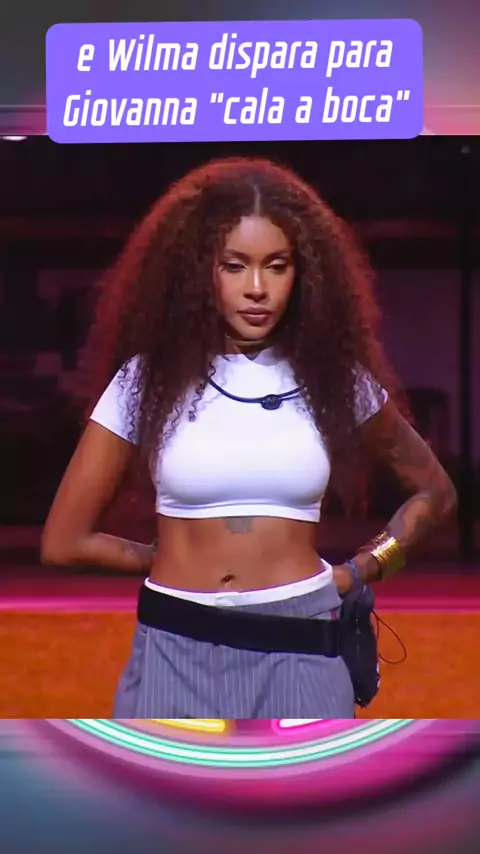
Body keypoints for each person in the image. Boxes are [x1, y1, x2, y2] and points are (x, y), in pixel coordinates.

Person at [41, 156, 457, 719]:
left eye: (276, 266)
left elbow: (435, 493)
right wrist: (165, 558)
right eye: (234, 266)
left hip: (302, 647)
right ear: (199, 272)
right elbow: (64, 541)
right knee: (159, 783)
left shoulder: (336, 381)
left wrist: (362, 568)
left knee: (308, 783)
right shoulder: (146, 381)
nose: (256, 288)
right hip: (174, 648)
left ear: (303, 274)